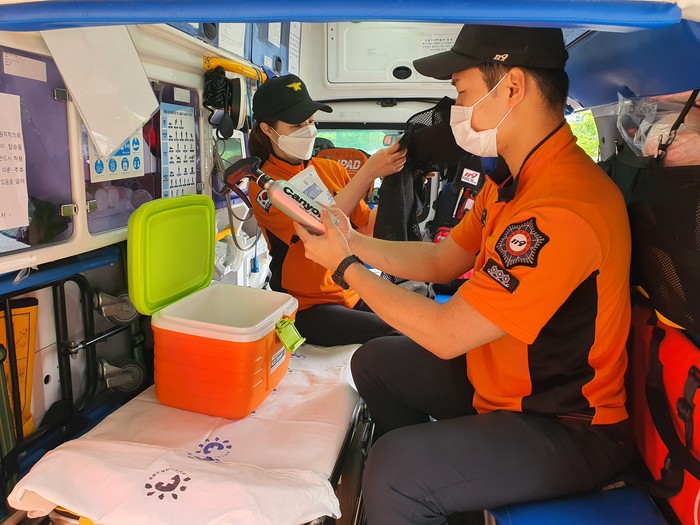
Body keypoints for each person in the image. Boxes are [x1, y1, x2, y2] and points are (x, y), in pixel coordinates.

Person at [292, 24, 636, 524]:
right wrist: (351, 243)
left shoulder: (563, 207)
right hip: (499, 384)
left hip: (565, 421)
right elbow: (443, 260)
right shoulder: (512, 181)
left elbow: (448, 334)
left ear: (512, 88)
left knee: (394, 470)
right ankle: (442, 503)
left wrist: (345, 267)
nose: (456, 109)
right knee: (375, 362)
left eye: (461, 92)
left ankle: (414, 495)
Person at [247, 74, 406, 346]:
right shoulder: (266, 187)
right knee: (392, 333)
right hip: (307, 306)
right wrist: (368, 172)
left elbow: (366, 226)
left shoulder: (331, 169)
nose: (308, 130)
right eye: (297, 125)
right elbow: (321, 229)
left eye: (310, 121)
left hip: (351, 292)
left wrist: (402, 184)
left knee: (411, 319)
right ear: (267, 129)